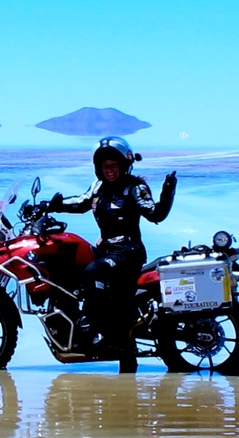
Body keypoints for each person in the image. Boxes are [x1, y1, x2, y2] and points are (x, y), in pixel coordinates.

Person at [44, 137, 176, 370]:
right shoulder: (98, 187)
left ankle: (98, 327)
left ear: (124, 164)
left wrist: (167, 193)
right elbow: (81, 202)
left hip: (128, 251)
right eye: (105, 166)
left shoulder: (134, 187)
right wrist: (50, 205)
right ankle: (108, 337)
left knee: (92, 272)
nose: (110, 170)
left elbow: (154, 213)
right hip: (107, 251)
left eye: (114, 164)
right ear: (98, 168)